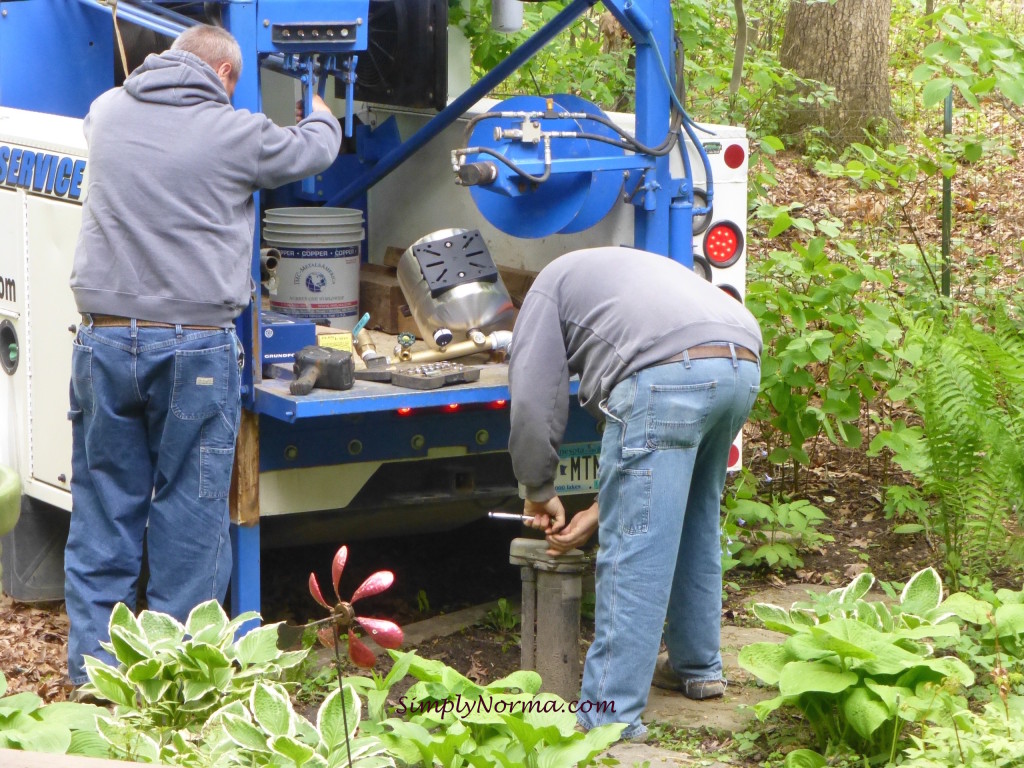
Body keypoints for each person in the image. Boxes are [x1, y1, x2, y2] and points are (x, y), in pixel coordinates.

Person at [64, 24, 342, 690]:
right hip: (195, 347)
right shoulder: (234, 131)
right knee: (188, 519)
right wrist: (320, 105)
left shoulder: (105, 113)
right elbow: (315, 152)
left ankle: (91, 685)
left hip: (102, 339)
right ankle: (173, 690)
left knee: (105, 512)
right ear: (223, 76)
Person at [507, 246, 762, 742]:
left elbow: (533, 404)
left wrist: (538, 489)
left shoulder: (544, 292)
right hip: (741, 362)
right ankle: (697, 666)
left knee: (635, 543)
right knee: (693, 517)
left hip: (668, 373)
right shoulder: (617, 275)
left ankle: (611, 714)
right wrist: (602, 507)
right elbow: (644, 470)